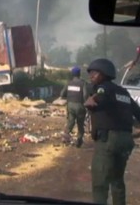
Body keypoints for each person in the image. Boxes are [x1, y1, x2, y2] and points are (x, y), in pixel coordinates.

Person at [84, 58, 140, 205]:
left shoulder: (102, 88)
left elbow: (97, 100)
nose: (91, 76)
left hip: (108, 140)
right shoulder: (124, 92)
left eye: (95, 73)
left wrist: (90, 101)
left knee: (100, 183)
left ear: (104, 74)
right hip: (126, 140)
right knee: (117, 181)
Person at [60, 66, 88, 148]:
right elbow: (85, 95)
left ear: (72, 74)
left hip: (70, 105)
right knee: (80, 124)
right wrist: (86, 104)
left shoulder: (69, 83)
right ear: (79, 74)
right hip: (80, 106)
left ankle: (66, 135)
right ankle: (79, 140)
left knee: (71, 121)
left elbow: (62, 94)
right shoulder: (83, 83)